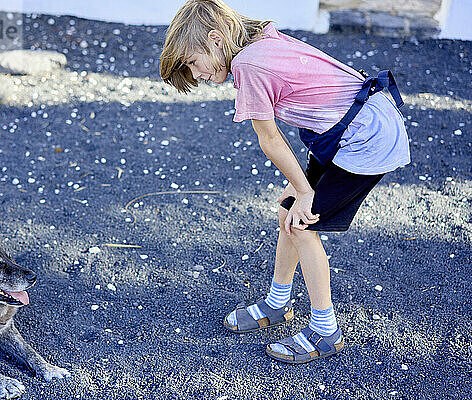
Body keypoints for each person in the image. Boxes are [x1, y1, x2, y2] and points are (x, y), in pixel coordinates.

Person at [159, 0, 410, 364]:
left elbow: (270, 139)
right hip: (343, 129)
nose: (195, 74)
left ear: (215, 39)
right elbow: (315, 99)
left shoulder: (248, 64)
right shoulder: (259, 40)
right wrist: (299, 185)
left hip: (366, 137)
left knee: (303, 225)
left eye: (193, 63)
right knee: (287, 212)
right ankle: (279, 303)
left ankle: (326, 330)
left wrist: (306, 189)